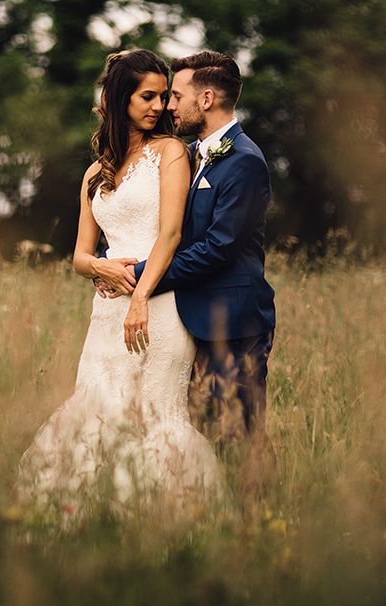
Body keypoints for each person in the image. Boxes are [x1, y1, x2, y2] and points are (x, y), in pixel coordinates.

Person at [14, 50, 222, 514]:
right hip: (106, 314)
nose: (159, 106)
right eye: (147, 96)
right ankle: (93, 518)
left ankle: (164, 520)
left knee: (155, 414)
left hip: (159, 306)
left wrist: (140, 295)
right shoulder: (95, 173)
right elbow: (80, 256)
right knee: (98, 412)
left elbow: (170, 233)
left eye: (165, 96)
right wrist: (101, 267)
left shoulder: (171, 153)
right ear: (118, 98)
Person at [95, 51, 276, 442]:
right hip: (192, 318)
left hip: (234, 324)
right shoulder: (194, 154)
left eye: (176, 96)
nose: (168, 106)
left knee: (240, 439)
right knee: (198, 434)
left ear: (206, 99)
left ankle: (260, 505)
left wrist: (135, 275)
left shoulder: (245, 161)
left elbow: (217, 248)